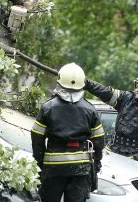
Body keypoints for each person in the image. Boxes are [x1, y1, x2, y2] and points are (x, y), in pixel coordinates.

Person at [31, 63, 105, 202]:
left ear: (60, 81)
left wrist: (40, 162)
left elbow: (37, 138)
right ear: (82, 83)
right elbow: (99, 141)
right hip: (81, 170)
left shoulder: (48, 107)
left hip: (53, 169)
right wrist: (97, 163)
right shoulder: (90, 109)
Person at [85, 73, 138, 164]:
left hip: (134, 158)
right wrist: (85, 82)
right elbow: (105, 92)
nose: (137, 90)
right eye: (137, 86)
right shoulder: (127, 98)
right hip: (112, 150)